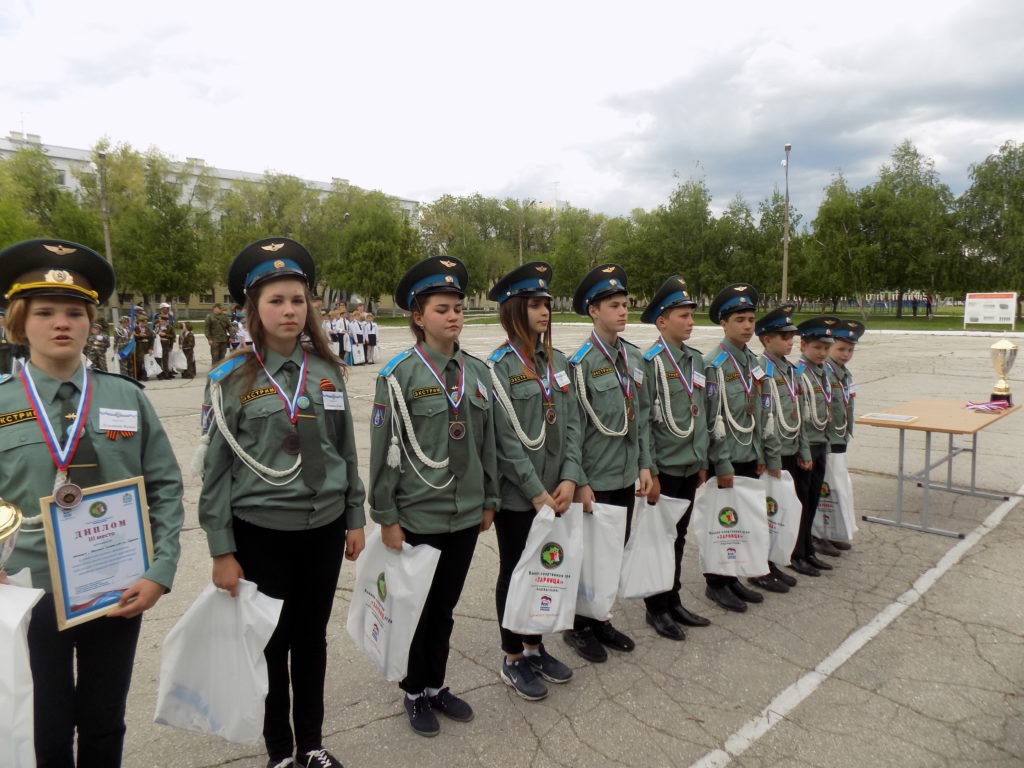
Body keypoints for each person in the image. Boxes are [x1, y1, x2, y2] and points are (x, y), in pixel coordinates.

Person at [0, 238, 184, 767]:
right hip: (28, 593)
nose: (62, 323)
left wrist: (160, 569)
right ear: (19, 322)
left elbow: (167, 487)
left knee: (105, 721)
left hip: (118, 586)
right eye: (45, 312)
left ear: (90, 322)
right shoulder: (3, 405)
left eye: (75, 312)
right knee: (45, 725)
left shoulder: (127, 397)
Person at [198, 237, 365, 768]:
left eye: (298, 299)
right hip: (261, 531)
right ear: (254, 310)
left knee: (311, 641)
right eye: (276, 300)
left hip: (323, 527)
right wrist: (222, 550)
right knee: (271, 645)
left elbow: (346, 450)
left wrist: (355, 517)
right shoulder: (229, 380)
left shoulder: (328, 372)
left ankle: (311, 744)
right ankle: (278, 753)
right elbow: (215, 471)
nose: (290, 310)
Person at [368, 256, 498, 738]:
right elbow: (382, 454)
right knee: (416, 609)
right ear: (419, 317)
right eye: (442, 309)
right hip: (418, 513)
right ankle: (412, 689)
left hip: (464, 514)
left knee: (444, 607)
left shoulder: (478, 374)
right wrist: (386, 516)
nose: (454, 316)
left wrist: (490, 500)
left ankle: (436, 684)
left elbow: (488, 445)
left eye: (459, 308)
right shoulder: (398, 376)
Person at [486, 262, 581, 700]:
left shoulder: (559, 362)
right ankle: (512, 658)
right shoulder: (498, 368)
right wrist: (536, 492)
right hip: (521, 497)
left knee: (546, 569)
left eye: (547, 304)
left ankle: (535, 645)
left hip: (556, 492)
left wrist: (568, 477)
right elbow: (504, 440)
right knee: (516, 572)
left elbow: (575, 424)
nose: (545, 311)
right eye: (535, 304)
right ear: (515, 310)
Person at [563, 264, 654, 663]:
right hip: (595, 478)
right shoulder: (579, 364)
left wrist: (645, 465)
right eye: (614, 305)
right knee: (587, 556)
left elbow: (643, 419)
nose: (623, 311)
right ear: (592, 311)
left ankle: (600, 617)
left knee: (612, 551)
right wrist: (580, 480)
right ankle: (578, 626)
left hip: (623, 473)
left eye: (625, 304)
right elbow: (572, 430)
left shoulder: (633, 358)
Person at [638, 276, 712, 640]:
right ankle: (656, 607)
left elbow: (701, 413)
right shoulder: (648, 363)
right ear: (662, 321)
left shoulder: (695, 361)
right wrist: (650, 471)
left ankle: (674, 599)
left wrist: (702, 461)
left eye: (691, 315)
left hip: (688, 464)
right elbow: (644, 422)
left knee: (679, 537)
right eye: (683, 315)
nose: (690, 321)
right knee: (659, 539)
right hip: (665, 468)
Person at [702, 283, 780, 613]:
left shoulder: (754, 362)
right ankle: (715, 582)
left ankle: (732, 576)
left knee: (740, 521)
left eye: (751, 319)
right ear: (724, 322)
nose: (748, 325)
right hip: (727, 459)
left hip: (749, 454)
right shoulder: (713, 364)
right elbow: (711, 419)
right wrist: (721, 463)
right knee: (721, 520)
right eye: (740, 319)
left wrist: (762, 454)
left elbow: (762, 411)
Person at [753, 305, 807, 590]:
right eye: (783, 336)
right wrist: (767, 457)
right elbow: (763, 419)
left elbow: (798, 410)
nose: (790, 341)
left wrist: (804, 449)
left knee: (780, 512)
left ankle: (773, 562)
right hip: (772, 455)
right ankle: (760, 567)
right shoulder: (761, 370)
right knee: (767, 513)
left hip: (789, 449)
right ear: (766, 340)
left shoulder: (790, 369)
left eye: (791, 335)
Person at [790, 316, 843, 576]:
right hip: (806, 447)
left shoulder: (823, 373)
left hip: (820, 443)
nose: (822, 353)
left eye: (826, 348)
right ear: (803, 346)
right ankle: (796, 553)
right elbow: (796, 415)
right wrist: (803, 450)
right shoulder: (798, 374)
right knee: (801, 501)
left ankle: (808, 549)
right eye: (817, 347)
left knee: (812, 500)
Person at [822, 319, 864, 552]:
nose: (846, 354)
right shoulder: (825, 373)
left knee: (837, 488)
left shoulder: (844, 374)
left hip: (840, 439)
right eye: (841, 349)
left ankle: (834, 531)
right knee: (826, 491)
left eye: (850, 350)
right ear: (829, 347)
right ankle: (820, 534)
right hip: (827, 442)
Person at [155, 311, 176, 379]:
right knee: (158, 359)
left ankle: (166, 374)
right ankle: (159, 374)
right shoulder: (157, 327)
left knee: (165, 360)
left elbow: (173, 336)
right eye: (161, 321)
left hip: (166, 345)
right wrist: (158, 334)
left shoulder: (170, 327)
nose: (162, 322)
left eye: (163, 321)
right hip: (158, 345)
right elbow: (153, 335)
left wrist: (165, 335)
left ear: (166, 321)